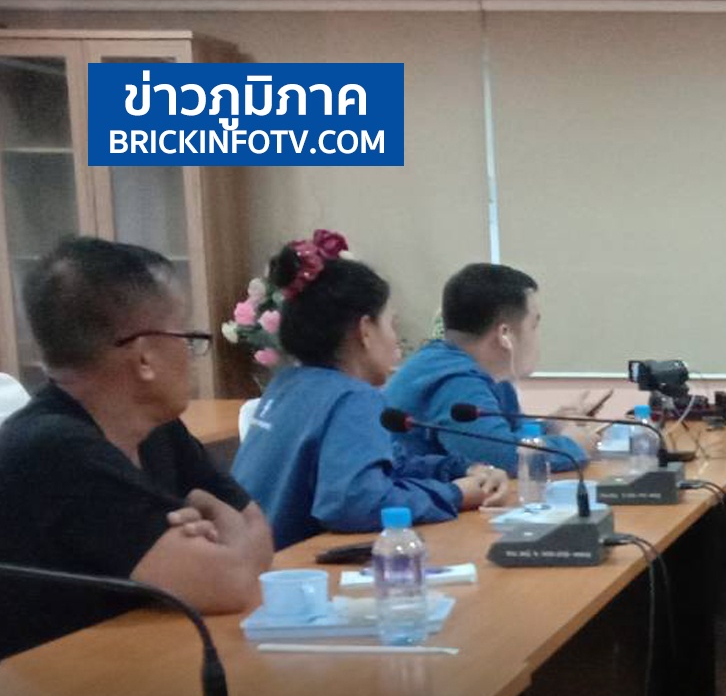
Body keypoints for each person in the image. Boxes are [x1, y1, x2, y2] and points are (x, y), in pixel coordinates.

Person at [0, 237, 273, 660]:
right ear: (144, 358)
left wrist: (215, 550)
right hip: (58, 685)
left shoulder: (156, 426)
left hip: (139, 658)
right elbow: (232, 582)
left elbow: (260, 536)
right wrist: (220, 520)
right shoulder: (53, 450)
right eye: (186, 336)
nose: (191, 354)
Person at [231, 235, 509, 549]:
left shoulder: (288, 384)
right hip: (291, 565)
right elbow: (355, 502)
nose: (395, 341)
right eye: (391, 325)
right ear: (365, 330)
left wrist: (461, 469)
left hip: (256, 560)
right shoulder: (351, 397)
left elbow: (386, 465)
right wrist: (456, 494)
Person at [383, 263, 598, 471]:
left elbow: (505, 435)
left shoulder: (471, 368)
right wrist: (572, 447)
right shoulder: (456, 380)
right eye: (533, 325)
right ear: (505, 335)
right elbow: (497, 456)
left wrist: (550, 426)